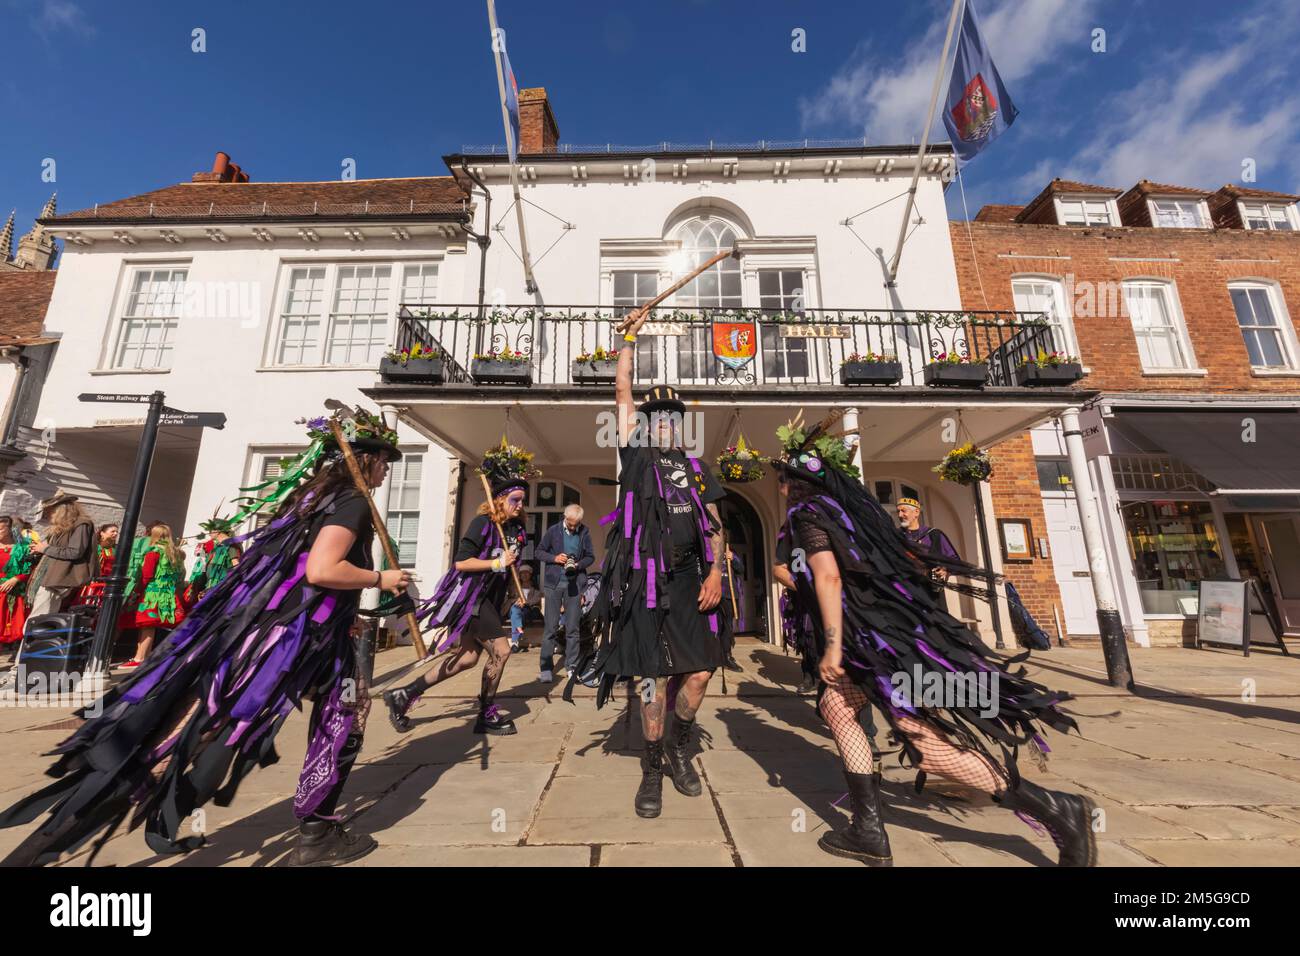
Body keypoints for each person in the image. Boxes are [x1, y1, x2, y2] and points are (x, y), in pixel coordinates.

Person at [0, 407, 411, 867]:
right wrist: (380, 579)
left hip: (295, 636)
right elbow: (321, 569)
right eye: (384, 461)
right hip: (286, 642)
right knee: (199, 734)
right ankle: (315, 831)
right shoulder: (352, 501)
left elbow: (297, 572)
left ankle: (314, 826)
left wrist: (346, 612)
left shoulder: (312, 498)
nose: (385, 470)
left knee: (213, 727)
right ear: (367, 460)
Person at [772, 411, 1096, 867]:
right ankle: (867, 829)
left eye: (782, 480)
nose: (780, 488)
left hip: (874, 646)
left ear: (793, 483)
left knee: (928, 746)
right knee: (837, 706)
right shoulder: (850, 515)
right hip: (883, 640)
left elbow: (828, 580)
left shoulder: (808, 515)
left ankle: (1057, 808)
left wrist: (831, 645)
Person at [587, 306, 727, 819]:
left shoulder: (696, 468)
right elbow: (622, 391)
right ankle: (651, 769)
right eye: (656, 418)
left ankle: (677, 745)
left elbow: (715, 525)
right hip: (647, 581)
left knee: (699, 675)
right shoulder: (636, 454)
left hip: (693, 580)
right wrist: (629, 337)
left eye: (672, 418)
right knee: (652, 679)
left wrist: (716, 571)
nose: (663, 424)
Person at [385, 439, 537, 737]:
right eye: (515, 500)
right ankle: (487, 713)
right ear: (500, 498)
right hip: (474, 598)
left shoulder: (517, 529)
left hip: (493, 599)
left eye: (522, 500)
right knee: (502, 651)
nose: (520, 506)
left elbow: (512, 563)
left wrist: (512, 592)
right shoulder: (483, 523)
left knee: (468, 658)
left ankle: (404, 694)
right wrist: (495, 565)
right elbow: (461, 563)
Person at [536, 504, 595, 682]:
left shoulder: (584, 532)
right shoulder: (553, 531)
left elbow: (590, 557)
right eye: (570, 524)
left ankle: (572, 667)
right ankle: (546, 668)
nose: (573, 527)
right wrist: (554, 558)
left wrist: (578, 565)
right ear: (564, 517)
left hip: (575, 585)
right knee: (550, 628)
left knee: (573, 628)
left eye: (576, 524)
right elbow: (539, 552)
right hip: (553, 585)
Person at [119, 522, 186, 668]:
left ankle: (139, 658)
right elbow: (180, 575)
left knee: (147, 624)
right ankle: (145, 656)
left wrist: (137, 590)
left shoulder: (153, 552)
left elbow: (147, 575)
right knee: (151, 624)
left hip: (152, 592)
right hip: (168, 592)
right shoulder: (175, 553)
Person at [25, 490, 95, 618]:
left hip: (58, 578)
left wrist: (45, 549)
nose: (48, 514)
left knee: (39, 617)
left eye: (50, 511)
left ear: (62, 510)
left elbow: (75, 552)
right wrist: (38, 550)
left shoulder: (81, 524)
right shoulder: (61, 527)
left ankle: (31, 638)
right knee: (42, 617)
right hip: (49, 577)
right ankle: (34, 638)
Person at [773, 529, 817, 696]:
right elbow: (786, 571)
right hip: (802, 599)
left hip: (826, 596)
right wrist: (800, 587)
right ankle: (809, 677)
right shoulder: (793, 543)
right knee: (805, 637)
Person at [896, 497, 961, 600]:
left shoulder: (934, 534)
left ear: (916, 512)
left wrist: (944, 569)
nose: (899, 515)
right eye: (898, 511)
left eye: (903, 511)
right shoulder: (896, 536)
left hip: (931, 592)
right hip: (906, 592)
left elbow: (954, 560)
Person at [183, 515, 242, 608]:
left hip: (221, 591)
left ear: (217, 531)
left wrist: (222, 587)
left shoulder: (231, 545)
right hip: (210, 590)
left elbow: (236, 567)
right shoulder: (216, 548)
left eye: (211, 530)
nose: (209, 533)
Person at [0, 516, 37, 654]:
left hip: (15, 592)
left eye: (0, 529)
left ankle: (16, 655)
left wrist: (16, 579)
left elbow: (32, 570)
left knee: (14, 627)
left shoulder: (23, 548)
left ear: (10, 529)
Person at [75, 523, 118, 609]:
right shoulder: (96, 547)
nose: (116, 534)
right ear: (102, 533)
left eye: (117, 532)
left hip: (105, 583)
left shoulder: (113, 550)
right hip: (93, 582)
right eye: (113, 531)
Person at [509, 564, 543, 653]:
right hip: (516, 609)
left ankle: (514, 642)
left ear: (530, 575)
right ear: (519, 575)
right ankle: (518, 634)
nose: (524, 575)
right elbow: (510, 599)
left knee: (515, 613)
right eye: (522, 573)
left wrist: (525, 603)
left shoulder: (535, 588)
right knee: (515, 609)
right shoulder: (514, 587)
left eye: (526, 573)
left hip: (528, 611)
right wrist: (515, 601)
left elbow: (537, 599)